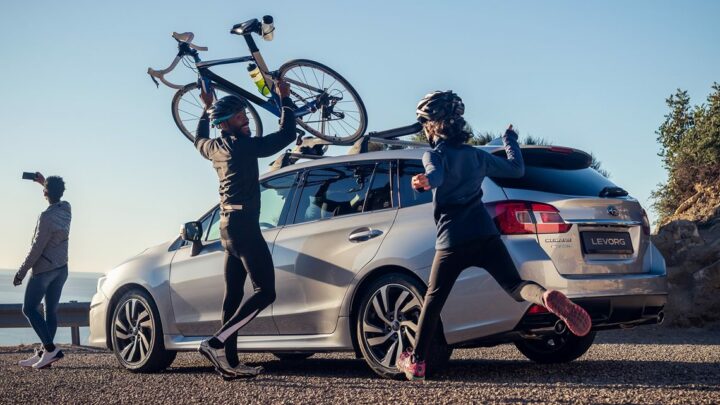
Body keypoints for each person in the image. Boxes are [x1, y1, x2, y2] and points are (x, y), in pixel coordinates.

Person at [396, 91, 592, 381]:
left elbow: (434, 175)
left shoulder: (433, 155)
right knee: (516, 285)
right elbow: (516, 169)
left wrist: (422, 181)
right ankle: (546, 296)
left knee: (433, 300)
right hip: (485, 234)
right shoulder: (477, 155)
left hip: (452, 241)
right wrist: (509, 140)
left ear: (431, 126)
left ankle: (417, 362)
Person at [194, 81, 297, 379]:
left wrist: (204, 108)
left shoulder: (215, 148)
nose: (247, 120)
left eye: (246, 115)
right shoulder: (241, 147)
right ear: (226, 123)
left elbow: (198, 139)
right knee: (266, 292)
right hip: (244, 227)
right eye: (241, 117)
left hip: (227, 228)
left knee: (233, 297)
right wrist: (285, 100)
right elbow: (287, 135)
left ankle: (230, 363)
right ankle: (215, 342)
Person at [14, 173, 71, 369]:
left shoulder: (45, 217)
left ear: (46, 193)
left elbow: (36, 249)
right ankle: (43, 355)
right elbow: (54, 195)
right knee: (50, 313)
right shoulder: (66, 208)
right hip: (62, 269)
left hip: (44, 270)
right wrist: (43, 182)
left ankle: (50, 349)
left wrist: (21, 272)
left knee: (29, 308)